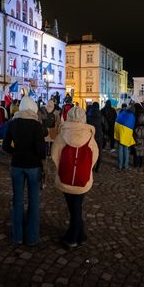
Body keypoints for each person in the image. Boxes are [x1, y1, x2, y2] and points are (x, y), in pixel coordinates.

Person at [52, 106, 99, 249]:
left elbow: (55, 155)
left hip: (65, 178)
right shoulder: (89, 135)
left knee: (74, 209)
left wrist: (63, 167)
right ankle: (80, 235)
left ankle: (72, 238)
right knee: (76, 207)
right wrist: (86, 168)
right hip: (82, 179)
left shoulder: (62, 134)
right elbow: (94, 156)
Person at [2, 96, 47, 246]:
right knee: (33, 201)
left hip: (17, 165)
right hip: (33, 166)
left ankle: (17, 236)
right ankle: (32, 237)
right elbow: (41, 150)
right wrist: (37, 156)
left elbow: (5, 146)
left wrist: (16, 152)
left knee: (17, 200)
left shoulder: (13, 123)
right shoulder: (36, 124)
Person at [114, 104, 136, 170]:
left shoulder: (123, 112)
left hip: (119, 131)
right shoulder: (132, 116)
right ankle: (125, 165)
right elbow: (132, 125)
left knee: (120, 149)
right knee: (126, 149)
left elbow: (117, 120)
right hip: (126, 133)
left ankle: (120, 165)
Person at [86, 102, 104, 171]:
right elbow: (104, 124)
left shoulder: (88, 114)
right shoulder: (100, 114)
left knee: (90, 150)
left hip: (90, 134)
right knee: (99, 150)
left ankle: (91, 166)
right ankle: (98, 167)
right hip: (99, 134)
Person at [133, 103, 144, 167]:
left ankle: (136, 163)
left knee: (136, 147)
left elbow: (135, 121)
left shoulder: (136, 113)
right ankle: (141, 163)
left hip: (137, 129)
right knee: (142, 147)